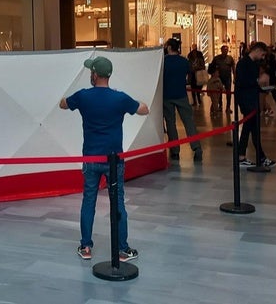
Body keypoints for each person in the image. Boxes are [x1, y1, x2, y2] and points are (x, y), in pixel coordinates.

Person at [59, 56, 149, 262]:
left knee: (88, 200)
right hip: (114, 160)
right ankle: (122, 249)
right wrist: (136, 102)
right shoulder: (119, 98)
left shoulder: (83, 96)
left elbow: (63, 104)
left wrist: (65, 101)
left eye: (91, 72)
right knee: (118, 204)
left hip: (91, 158)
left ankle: (86, 246)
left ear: (95, 75)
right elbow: (143, 109)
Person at [235, 41, 276, 168]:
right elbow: (242, 82)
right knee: (249, 128)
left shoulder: (254, 64)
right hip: (246, 100)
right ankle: (243, 156)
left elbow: (253, 83)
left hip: (252, 99)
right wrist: (258, 81)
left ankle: (259, 156)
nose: (263, 58)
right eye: (263, 55)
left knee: (253, 129)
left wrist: (264, 88)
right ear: (258, 51)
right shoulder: (243, 63)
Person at [163, 38, 203, 161]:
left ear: (169, 48)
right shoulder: (184, 61)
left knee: (170, 123)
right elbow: (189, 74)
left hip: (167, 96)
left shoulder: (163, 62)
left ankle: (175, 150)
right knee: (188, 121)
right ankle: (196, 148)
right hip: (181, 95)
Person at [210, 45, 235, 113]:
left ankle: (228, 107)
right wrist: (213, 76)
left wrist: (235, 77)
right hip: (219, 78)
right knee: (219, 93)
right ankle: (220, 106)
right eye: (224, 50)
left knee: (228, 93)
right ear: (221, 50)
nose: (225, 51)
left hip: (227, 78)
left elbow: (233, 68)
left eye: (227, 50)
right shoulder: (216, 58)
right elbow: (212, 67)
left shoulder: (230, 58)